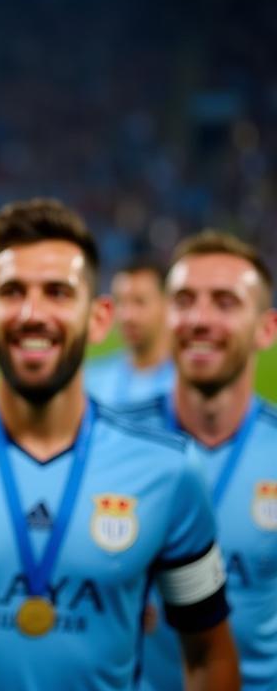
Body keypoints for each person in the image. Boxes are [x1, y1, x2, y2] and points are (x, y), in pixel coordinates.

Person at [0, 199, 239, 691]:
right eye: (14, 291)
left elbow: (207, 655)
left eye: (58, 292)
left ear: (99, 318)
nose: (34, 313)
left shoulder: (168, 470)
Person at [120, 231, 277, 691]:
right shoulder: (111, 446)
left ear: (266, 329)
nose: (200, 319)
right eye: (184, 300)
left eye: (225, 302)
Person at [85, 259, 175, 406]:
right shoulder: (91, 382)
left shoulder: (186, 384)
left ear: (167, 305)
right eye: (120, 302)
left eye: (139, 302)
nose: (127, 316)